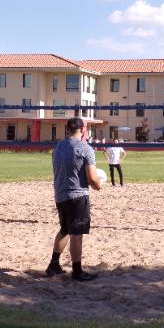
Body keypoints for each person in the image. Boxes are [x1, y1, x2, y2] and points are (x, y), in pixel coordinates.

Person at [45, 117, 101, 282]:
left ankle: (53, 265)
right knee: (77, 234)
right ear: (83, 130)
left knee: (65, 230)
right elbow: (92, 178)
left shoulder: (57, 148)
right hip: (77, 195)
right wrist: (98, 185)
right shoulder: (85, 148)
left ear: (67, 129)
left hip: (60, 195)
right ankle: (77, 272)